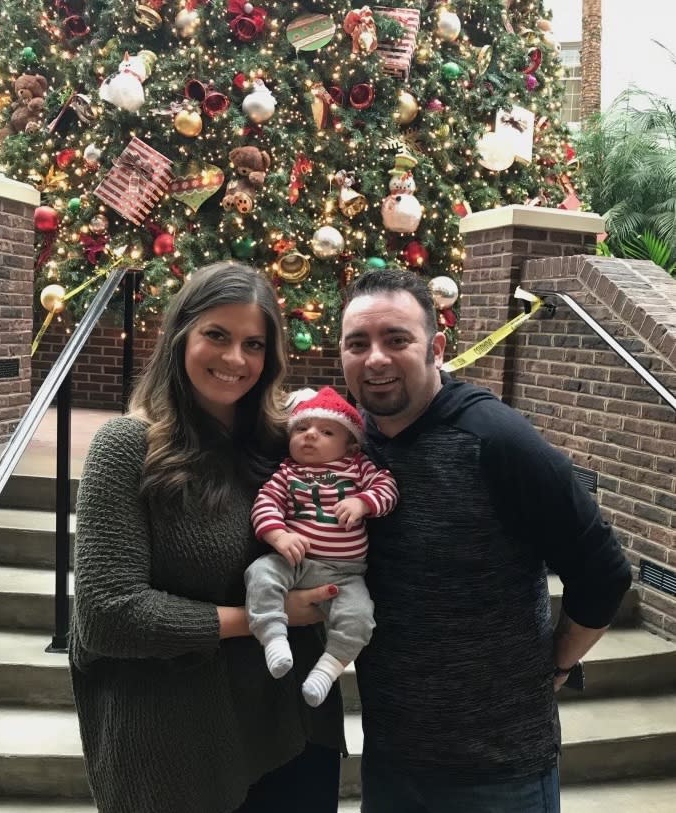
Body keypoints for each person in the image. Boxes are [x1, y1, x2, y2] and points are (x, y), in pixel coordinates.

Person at [339, 268, 633, 813]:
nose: (375, 358)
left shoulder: (497, 440)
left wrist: (558, 664)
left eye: (396, 339)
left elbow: (604, 571)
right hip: (390, 758)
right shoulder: (351, 441)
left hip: (499, 774)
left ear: (436, 347)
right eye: (358, 343)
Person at [69, 262, 344, 813]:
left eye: (254, 344)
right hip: (177, 745)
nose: (235, 359)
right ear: (179, 336)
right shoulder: (127, 447)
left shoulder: (282, 449)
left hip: (292, 730)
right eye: (216, 335)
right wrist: (269, 616)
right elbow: (106, 613)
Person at [245, 386, 398, 708]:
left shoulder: (358, 467)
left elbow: (387, 486)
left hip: (345, 574)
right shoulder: (287, 473)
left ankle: (327, 670)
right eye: (301, 428)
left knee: (360, 617)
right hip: (295, 561)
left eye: (326, 431)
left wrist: (363, 502)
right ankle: (273, 637)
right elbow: (265, 504)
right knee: (259, 574)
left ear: (350, 444)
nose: (310, 435)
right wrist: (279, 536)